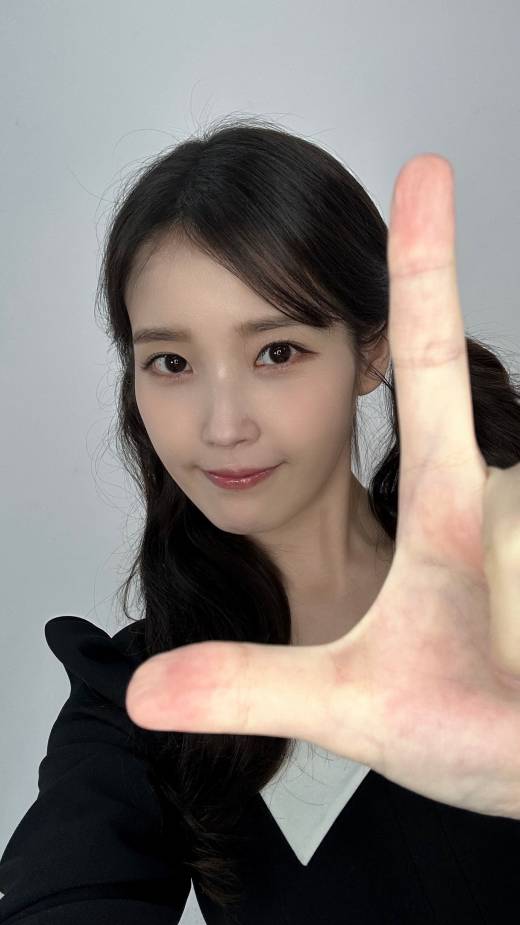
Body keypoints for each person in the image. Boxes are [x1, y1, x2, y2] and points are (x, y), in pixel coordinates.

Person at [2, 116, 520, 924]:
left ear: (371, 349)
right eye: (172, 362)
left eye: (276, 351)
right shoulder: (146, 700)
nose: (222, 425)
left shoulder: (505, 582)